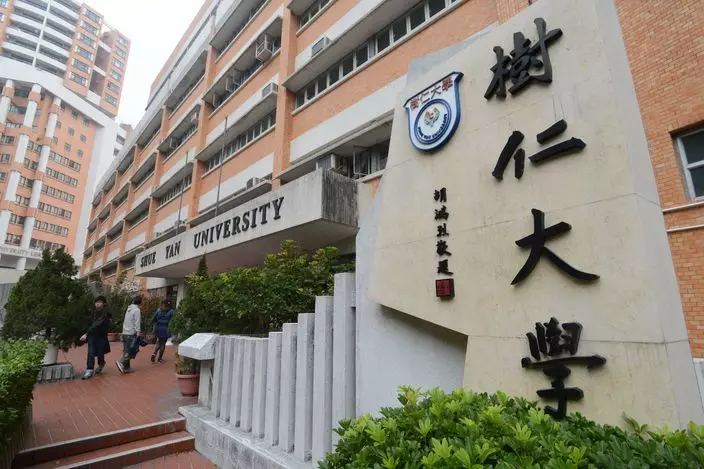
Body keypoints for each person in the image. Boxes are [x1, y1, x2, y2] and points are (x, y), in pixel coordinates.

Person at [80, 296, 111, 380]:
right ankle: (89, 370)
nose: (97, 303)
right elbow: (88, 323)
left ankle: (101, 364)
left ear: (104, 303)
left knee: (100, 353)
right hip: (92, 336)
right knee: (91, 352)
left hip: (101, 336)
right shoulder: (92, 313)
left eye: (100, 302)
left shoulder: (105, 314)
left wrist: (86, 334)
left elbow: (96, 324)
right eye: (96, 302)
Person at [116, 295, 141, 374]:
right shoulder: (137, 310)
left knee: (126, 350)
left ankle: (127, 368)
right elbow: (137, 322)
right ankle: (121, 362)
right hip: (131, 333)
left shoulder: (129, 309)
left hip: (125, 332)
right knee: (132, 350)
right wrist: (138, 332)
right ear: (140, 303)